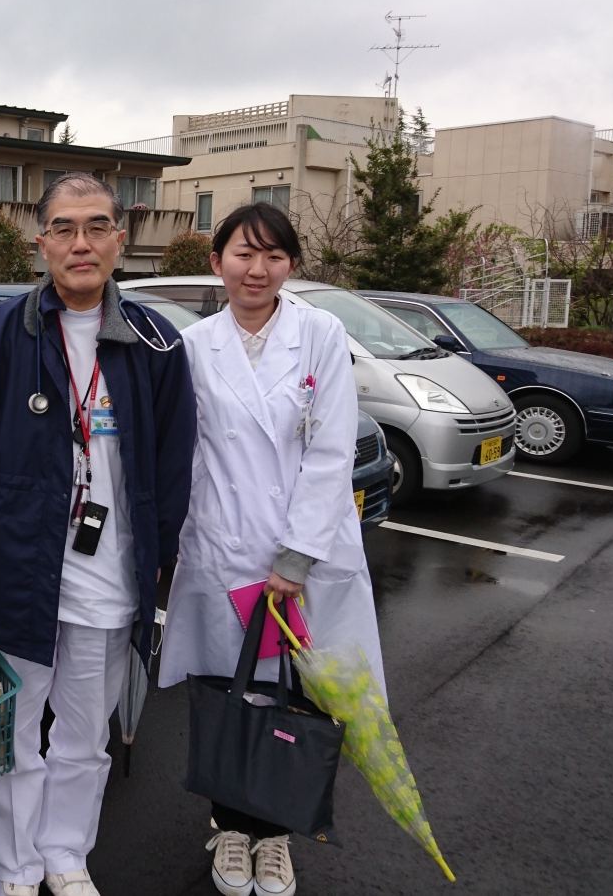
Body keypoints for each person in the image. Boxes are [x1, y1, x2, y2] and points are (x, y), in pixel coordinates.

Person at [0, 173, 195, 896]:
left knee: (84, 735)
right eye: (65, 228)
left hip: (111, 578)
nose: (82, 242)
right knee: (11, 733)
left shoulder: (156, 342)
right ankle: (15, 868)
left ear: (120, 241)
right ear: (40, 241)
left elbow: (173, 468)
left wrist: (161, 565)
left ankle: (66, 855)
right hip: (18, 570)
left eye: (97, 226)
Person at [158, 203, 386, 896]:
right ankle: (231, 826)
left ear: (291, 264)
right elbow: (186, 455)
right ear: (216, 260)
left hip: (305, 559)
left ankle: (278, 833)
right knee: (229, 694)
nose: (257, 269)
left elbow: (330, 449)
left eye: (273, 255)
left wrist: (294, 558)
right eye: (242, 253)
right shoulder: (194, 345)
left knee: (299, 695)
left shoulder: (319, 333)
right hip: (223, 550)